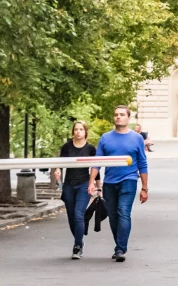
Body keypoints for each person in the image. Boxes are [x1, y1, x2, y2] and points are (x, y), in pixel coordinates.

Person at [90, 106, 149, 262]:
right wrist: (92, 183)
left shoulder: (137, 138)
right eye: (116, 115)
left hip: (129, 180)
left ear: (128, 118)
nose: (118, 117)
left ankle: (120, 248)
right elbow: (97, 162)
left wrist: (144, 188)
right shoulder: (105, 138)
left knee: (123, 212)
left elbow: (143, 163)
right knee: (113, 216)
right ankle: (119, 245)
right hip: (109, 182)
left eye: (122, 115)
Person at [55, 120, 95, 259]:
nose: (78, 132)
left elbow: (96, 167)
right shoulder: (67, 147)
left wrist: (97, 185)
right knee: (71, 216)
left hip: (84, 183)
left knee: (78, 214)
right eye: (76, 129)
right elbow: (60, 162)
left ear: (85, 132)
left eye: (81, 129)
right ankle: (80, 241)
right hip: (69, 185)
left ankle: (77, 246)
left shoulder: (90, 149)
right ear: (73, 132)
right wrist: (58, 170)